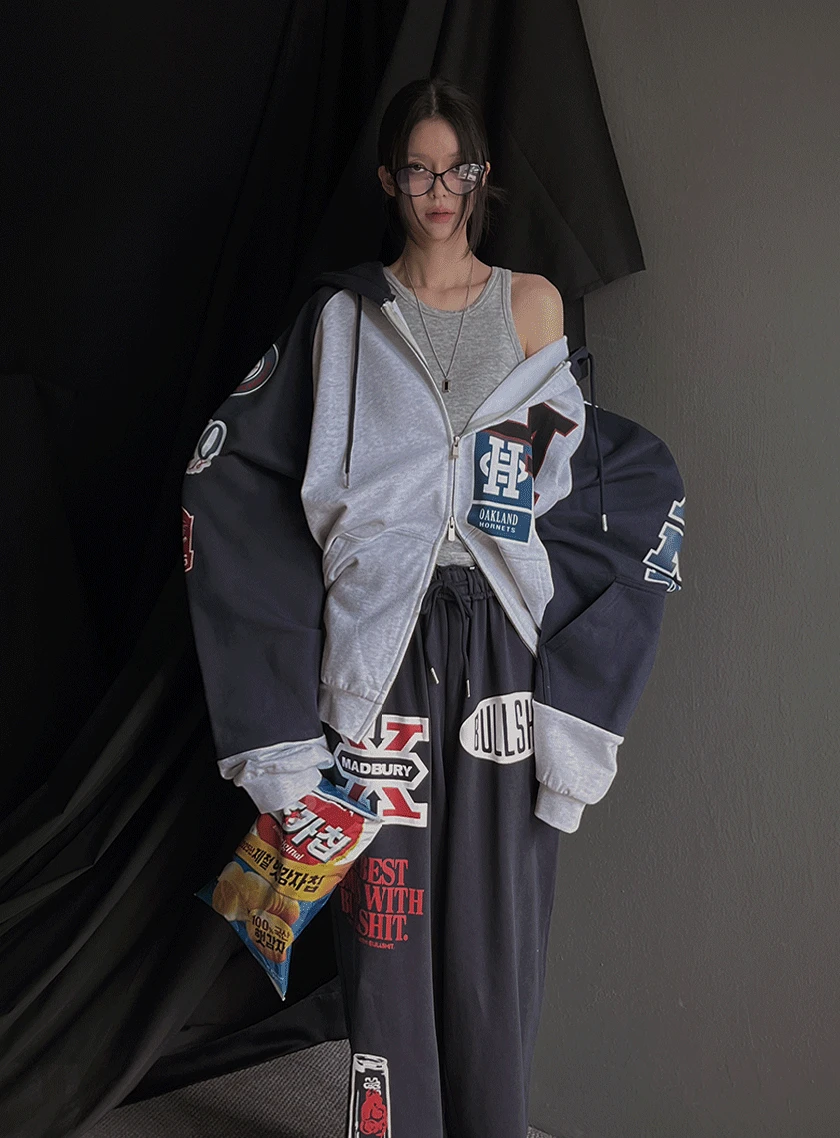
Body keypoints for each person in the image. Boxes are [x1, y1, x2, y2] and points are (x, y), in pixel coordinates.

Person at [181, 77, 685, 1138]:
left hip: (502, 642)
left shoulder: (533, 305)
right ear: (388, 179)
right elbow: (246, 483)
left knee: (499, 931)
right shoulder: (341, 320)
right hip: (381, 651)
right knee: (387, 929)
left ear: (483, 177)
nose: (440, 189)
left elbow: (568, 485)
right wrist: (281, 729)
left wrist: (576, 702)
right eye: (419, 168)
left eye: (458, 168)